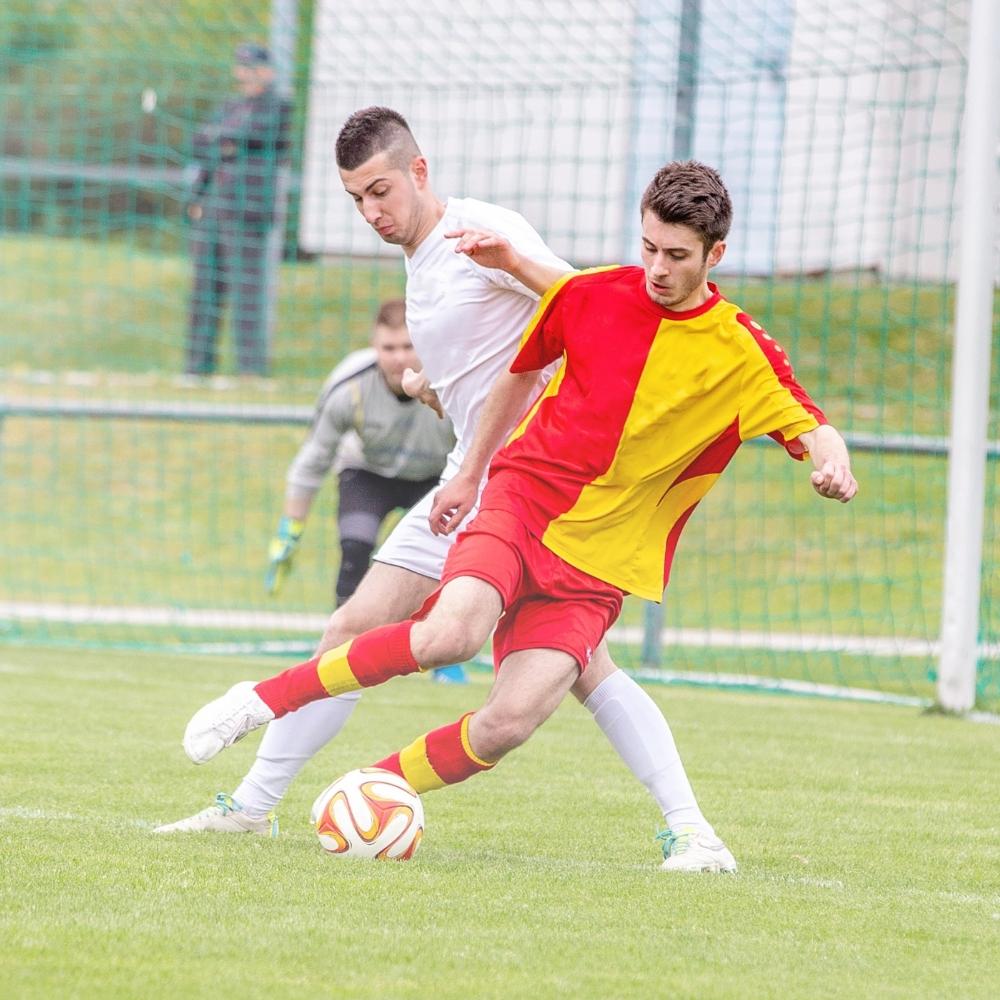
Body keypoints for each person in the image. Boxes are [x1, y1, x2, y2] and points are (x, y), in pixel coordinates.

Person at [166, 109, 740, 873]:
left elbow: (590, 307)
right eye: (356, 199)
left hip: (538, 491)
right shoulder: (422, 266)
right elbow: (495, 367)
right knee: (353, 628)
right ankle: (251, 807)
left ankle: (693, 829)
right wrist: (433, 392)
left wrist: (516, 294)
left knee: (574, 670)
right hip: (470, 484)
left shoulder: (479, 233)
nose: (372, 212)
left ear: (420, 171)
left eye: (381, 191)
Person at [262, 299, 456, 610]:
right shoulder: (350, 385)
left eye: (408, 346)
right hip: (369, 474)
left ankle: (423, 637)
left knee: (426, 564)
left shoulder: (452, 381)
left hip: (435, 480)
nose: (399, 358)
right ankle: (344, 636)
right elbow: (315, 457)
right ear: (374, 347)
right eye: (389, 348)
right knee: (355, 547)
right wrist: (290, 531)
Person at [184, 43, 292, 377]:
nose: (245, 74)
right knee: (204, 289)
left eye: (252, 67)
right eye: (242, 67)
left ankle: (250, 369)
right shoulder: (230, 106)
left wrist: (225, 140)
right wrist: (197, 196)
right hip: (214, 206)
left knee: (247, 293)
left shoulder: (277, 106)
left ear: (267, 71)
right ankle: (197, 367)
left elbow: (249, 136)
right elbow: (202, 142)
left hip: (248, 211)